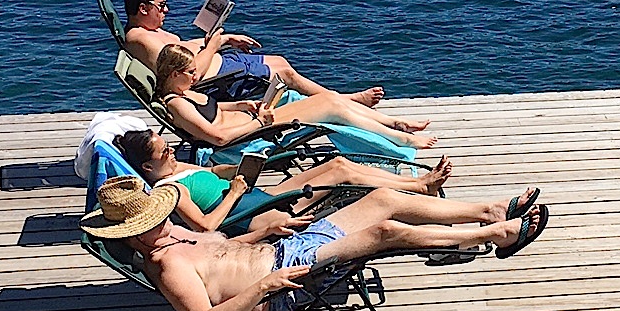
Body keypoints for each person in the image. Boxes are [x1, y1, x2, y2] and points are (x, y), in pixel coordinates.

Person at [81, 175, 547, 311]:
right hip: (286, 284)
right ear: (134, 236)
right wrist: (265, 288)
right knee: (386, 233)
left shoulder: (173, 232)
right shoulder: (166, 267)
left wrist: (259, 232)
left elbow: (223, 248)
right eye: (150, 220)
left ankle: (490, 210)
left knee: (383, 198)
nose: (161, 220)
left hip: (287, 251)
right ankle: (495, 236)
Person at [112, 127, 451, 234]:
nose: (171, 150)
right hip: (255, 214)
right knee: (348, 190)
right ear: (146, 165)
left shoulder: (176, 168)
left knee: (339, 165)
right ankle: (421, 190)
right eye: (163, 151)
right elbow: (205, 227)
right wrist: (235, 193)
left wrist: (239, 170)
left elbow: (212, 174)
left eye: (168, 145)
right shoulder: (169, 190)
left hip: (257, 194)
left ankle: (420, 185)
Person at [120, 0, 381, 106]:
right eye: (162, 6)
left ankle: (333, 99)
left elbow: (181, 53)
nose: (166, 11)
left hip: (221, 64)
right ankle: (344, 101)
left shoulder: (149, 33)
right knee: (285, 74)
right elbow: (192, 75)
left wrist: (224, 39)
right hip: (215, 82)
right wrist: (214, 42)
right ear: (143, 9)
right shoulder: (142, 40)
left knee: (280, 62)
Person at [155, 43, 439, 153]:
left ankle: (393, 123)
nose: (196, 76)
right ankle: (400, 138)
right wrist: (257, 122)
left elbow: (214, 108)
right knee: (330, 105)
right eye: (190, 72)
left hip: (252, 117)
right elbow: (217, 138)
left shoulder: (184, 92)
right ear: (173, 73)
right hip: (251, 132)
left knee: (332, 101)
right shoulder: (177, 104)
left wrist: (242, 105)